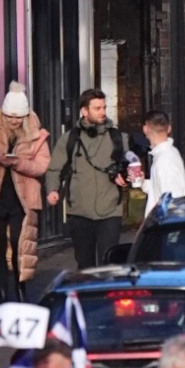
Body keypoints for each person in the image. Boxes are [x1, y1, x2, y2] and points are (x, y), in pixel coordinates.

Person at [0, 82, 51, 302]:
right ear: (3, 114)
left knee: (20, 244)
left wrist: (19, 164)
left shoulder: (37, 134)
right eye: (10, 117)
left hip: (23, 200)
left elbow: (43, 165)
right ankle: (0, 293)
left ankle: (19, 288)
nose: (14, 121)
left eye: (19, 117)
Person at [44, 88, 127, 268]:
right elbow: (54, 169)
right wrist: (52, 189)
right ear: (84, 111)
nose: (103, 112)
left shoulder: (118, 138)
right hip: (79, 212)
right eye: (97, 108)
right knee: (85, 265)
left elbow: (131, 166)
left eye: (104, 107)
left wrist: (127, 177)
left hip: (110, 210)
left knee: (109, 263)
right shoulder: (70, 139)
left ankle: (107, 295)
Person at [139, 111, 185, 216]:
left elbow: (172, 201)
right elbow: (159, 190)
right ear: (169, 128)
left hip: (166, 226)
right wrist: (143, 182)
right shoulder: (170, 152)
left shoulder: (164, 160)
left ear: (145, 129)